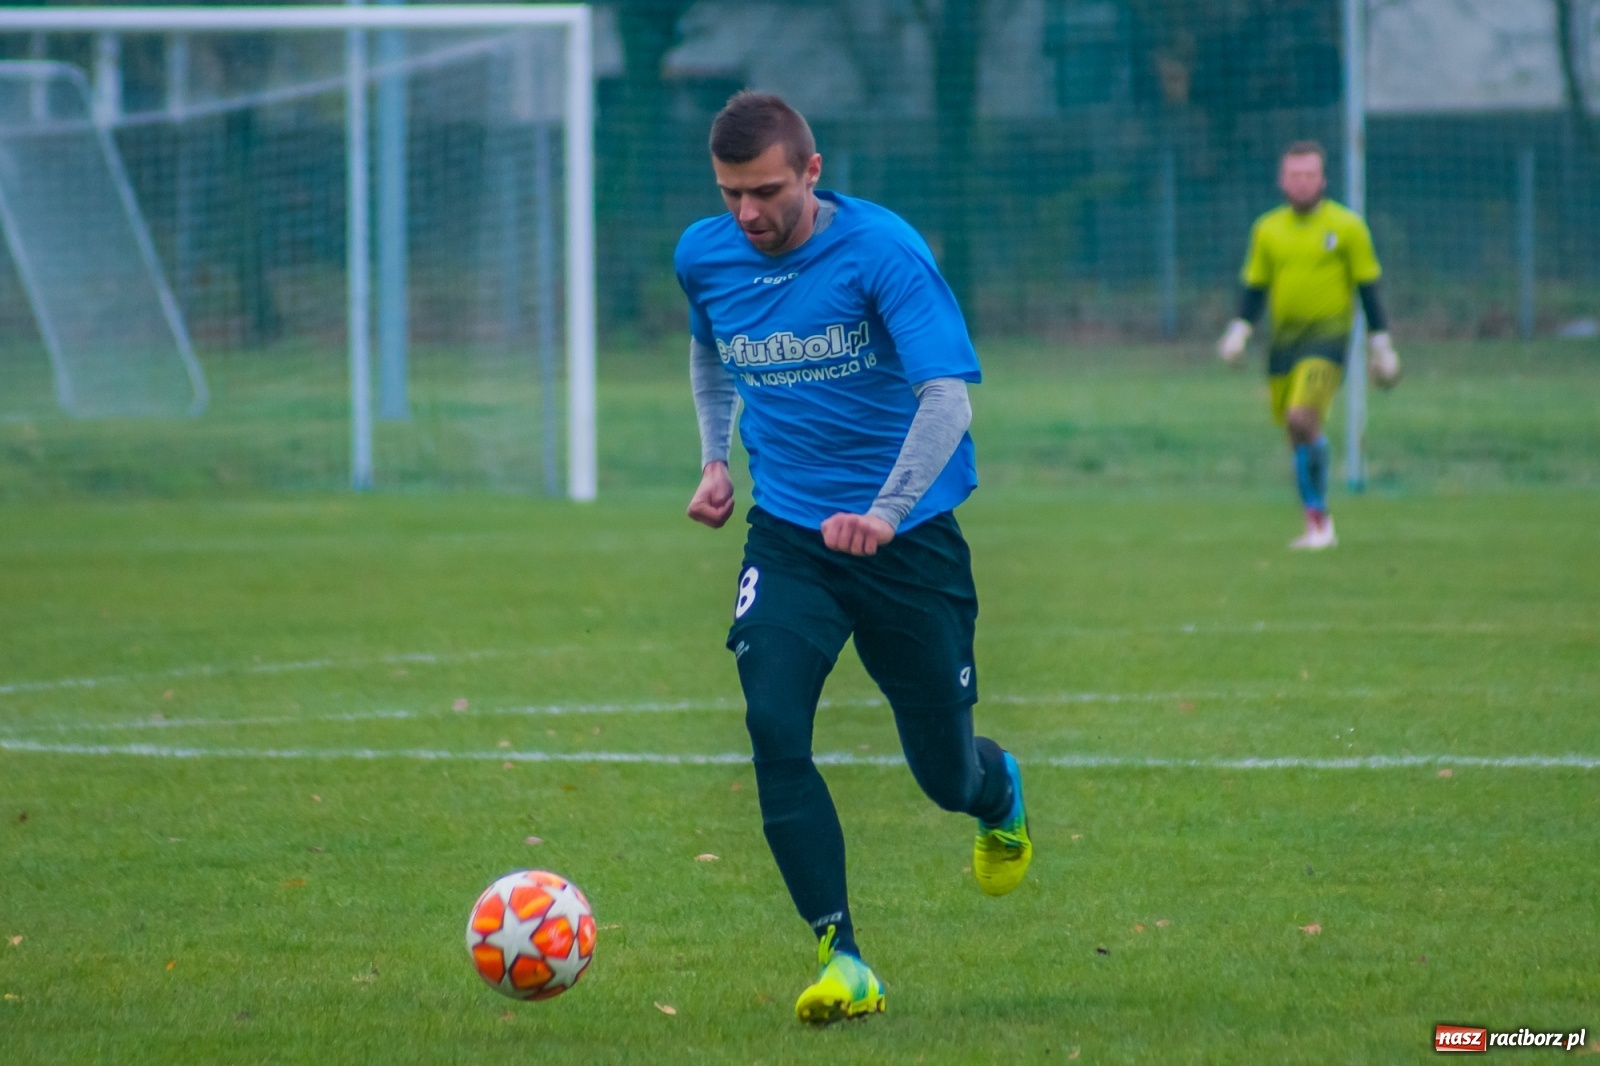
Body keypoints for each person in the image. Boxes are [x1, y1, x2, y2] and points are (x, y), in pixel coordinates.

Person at [674, 91, 1032, 1025]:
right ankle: (844, 956)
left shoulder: (883, 251)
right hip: (790, 538)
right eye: (729, 195)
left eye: (766, 192)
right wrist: (716, 456)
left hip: (908, 546)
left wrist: (884, 511)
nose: (747, 215)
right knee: (772, 723)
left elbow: (947, 399)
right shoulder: (704, 255)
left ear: (813, 171)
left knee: (943, 777)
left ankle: (999, 791)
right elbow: (711, 350)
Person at [1218, 140, 1402, 550]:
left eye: (1310, 175)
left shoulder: (1347, 227)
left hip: (1328, 339)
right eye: (1294, 175)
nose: (1302, 183)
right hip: (1283, 344)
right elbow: (1255, 287)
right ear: (1282, 180)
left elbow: (1368, 288)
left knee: (1302, 418)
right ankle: (1316, 521)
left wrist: (1381, 345)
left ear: (1323, 179)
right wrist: (1240, 330)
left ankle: (1321, 524)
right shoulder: (1267, 229)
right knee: (1296, 432)